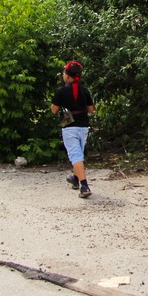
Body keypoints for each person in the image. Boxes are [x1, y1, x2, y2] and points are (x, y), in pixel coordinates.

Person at [51, 61, 96, 198]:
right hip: (84, 126)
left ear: (67, 75)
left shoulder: (61, 91)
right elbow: (91, 109)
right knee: (78, 154)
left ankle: (84, 186)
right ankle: (75, 179)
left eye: (64, 73)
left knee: (75, 156)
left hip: (69, 127)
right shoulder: (85, 90)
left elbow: (53, 110)